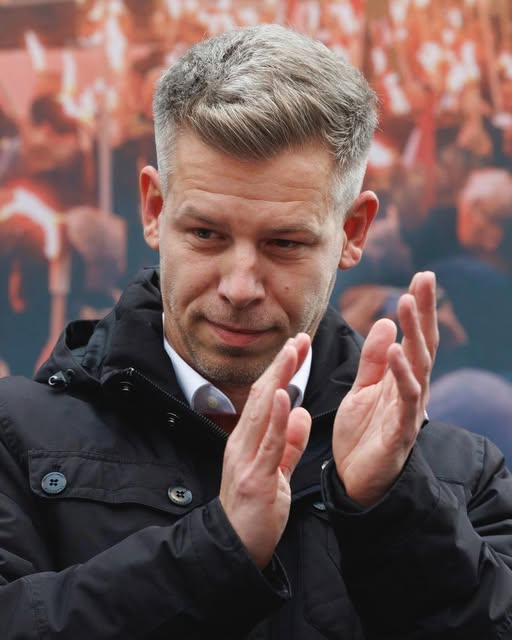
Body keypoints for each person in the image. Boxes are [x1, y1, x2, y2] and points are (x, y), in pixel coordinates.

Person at [0, 24, 511, 640]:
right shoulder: (15, 440)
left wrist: (391, 507)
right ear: (155, 209)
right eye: (206, 234)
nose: (240, 286)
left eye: (284, 243)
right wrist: (217, 551)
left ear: (353, 232)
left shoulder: (462, 475)